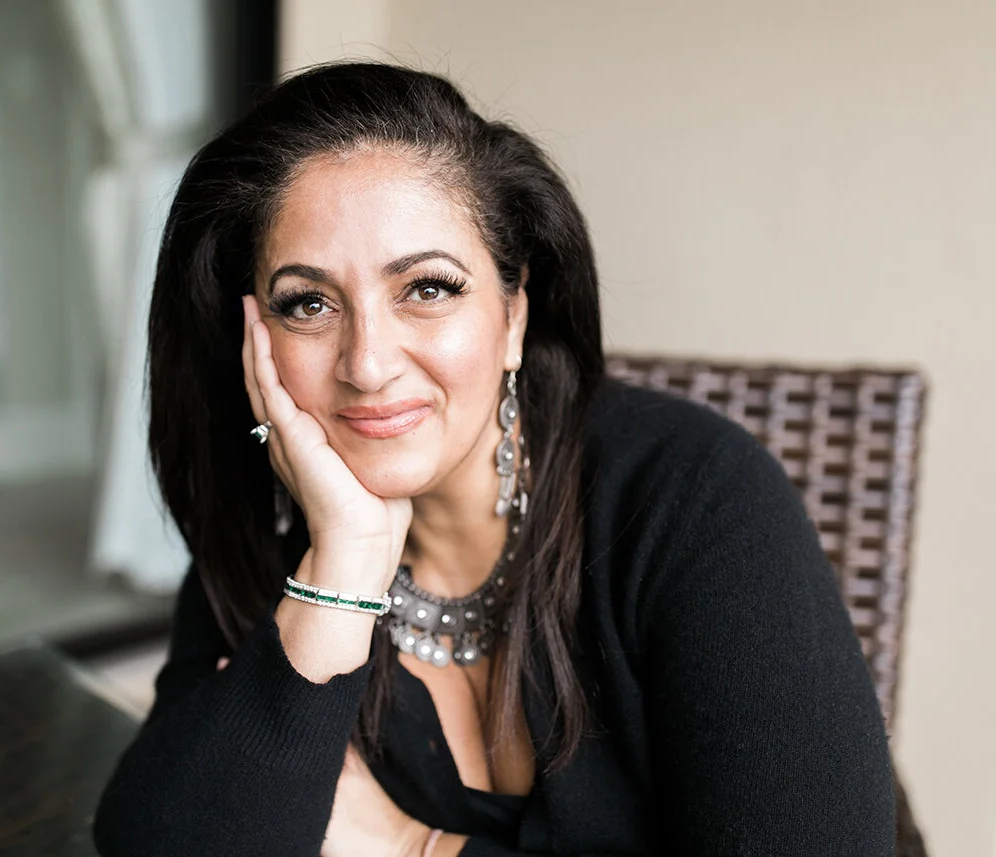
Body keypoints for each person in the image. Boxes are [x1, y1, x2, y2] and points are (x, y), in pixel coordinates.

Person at [92, 62, 894, 857]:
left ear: (513, 315)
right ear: (254, 341)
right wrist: (342, 569)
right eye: (309, 303)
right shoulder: (280, 534)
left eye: (428, 289)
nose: (367, 364)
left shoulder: (694, 496)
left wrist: (413, 847)